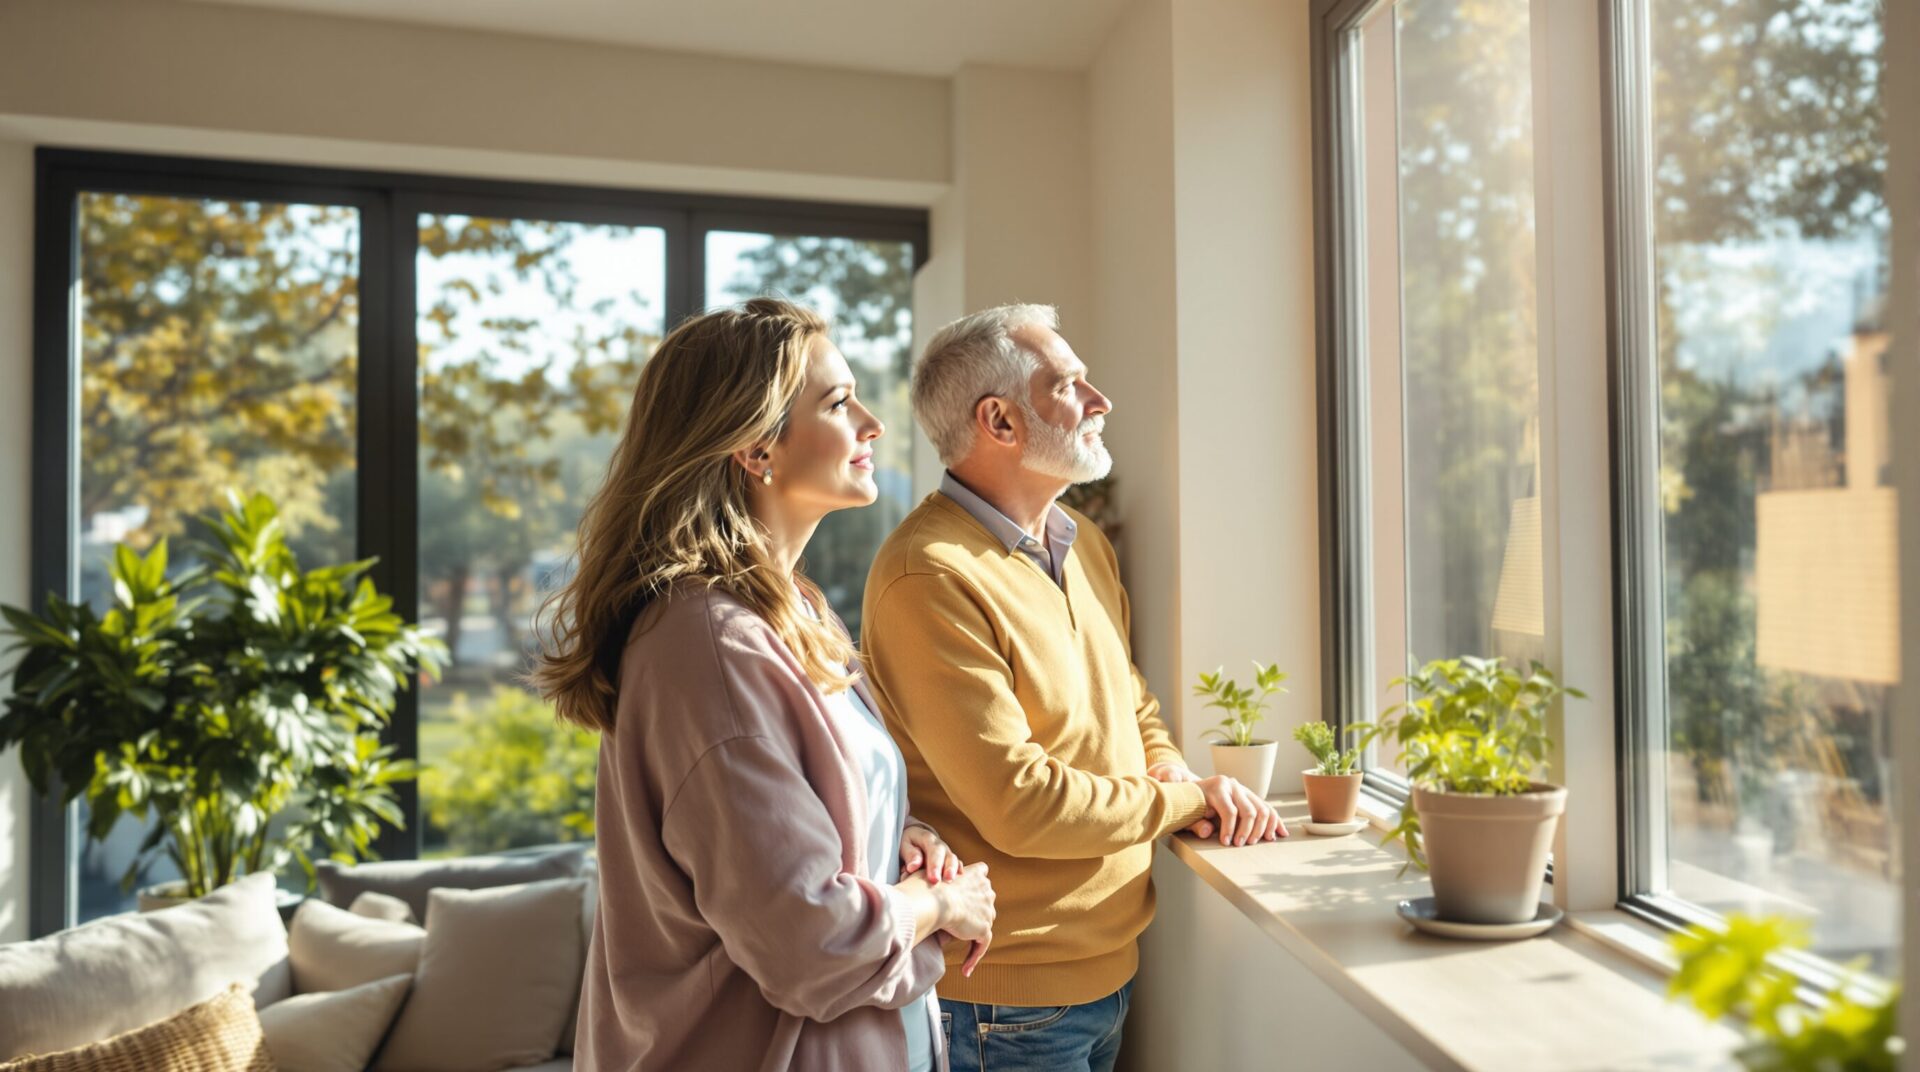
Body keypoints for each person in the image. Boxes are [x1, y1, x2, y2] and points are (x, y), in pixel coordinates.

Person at [534, 298, 995, 1071]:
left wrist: (897, 840)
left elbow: (800, 831)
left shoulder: (797, 611)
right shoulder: (707, 647)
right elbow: (808, 943)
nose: (873, 425)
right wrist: (940, 904)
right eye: (841, 403)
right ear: (755, 447)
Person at [862, 303, 1283, 1072]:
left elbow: (1128, 694)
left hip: (1110, 968)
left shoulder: (1080, 540)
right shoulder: (930, 574)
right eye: (1070, 383)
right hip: (1000, 1002)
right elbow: (1020, 803)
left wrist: (1169, 769)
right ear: (1000, 421)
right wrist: (1190, 802)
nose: (1101, 401)